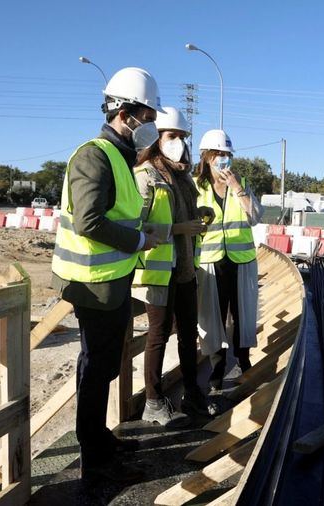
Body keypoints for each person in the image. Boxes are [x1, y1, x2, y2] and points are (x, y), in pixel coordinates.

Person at [51, 67, 163, 484]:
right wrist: (137, 242)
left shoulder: (119, 157)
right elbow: (89, 221)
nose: (151, 126)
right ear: (125, 113)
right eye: (147, 116)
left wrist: (141, 235)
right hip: (91, 285)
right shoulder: (93, 155)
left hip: (111, 283)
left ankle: (98, 436)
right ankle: (93, 456)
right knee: (95, 368)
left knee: (105, 366)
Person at [131, 106, 212, 425]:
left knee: (188, 332)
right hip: (157, 270)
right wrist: (178, 230)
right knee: (158, 335)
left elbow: (179, 214)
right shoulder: (145, 175)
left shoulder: (184, 178)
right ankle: (153, 400)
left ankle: (192, 393)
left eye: (182, 137)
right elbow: (136, 226)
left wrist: (200, 212)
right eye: (171, 136)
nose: (178, 142)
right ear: (156, 139)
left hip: (185, 269)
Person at [193, 130, 262, 407]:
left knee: (243, 315)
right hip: (211, 263)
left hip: (241, 262)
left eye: (227, 155)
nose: (224, 160)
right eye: (218, 155)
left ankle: (245, 364)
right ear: (207, 157)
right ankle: (216, 373)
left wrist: (237, 188)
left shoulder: (241, 182)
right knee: (214, 318)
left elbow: (255, 217)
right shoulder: (196, 186)